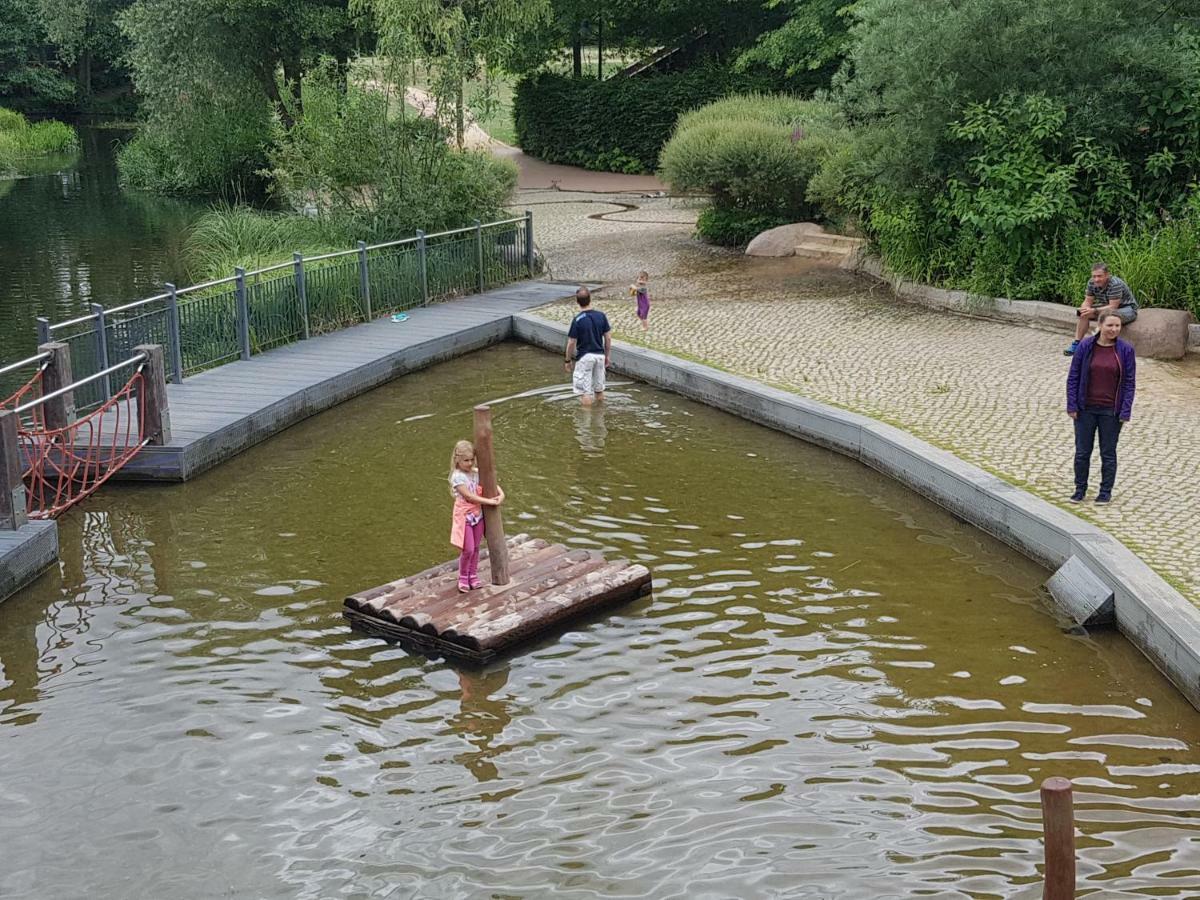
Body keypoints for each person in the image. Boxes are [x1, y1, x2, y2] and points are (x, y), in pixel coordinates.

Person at [1066, 311, 1136, 504]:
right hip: (1085, 408)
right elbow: (1073, 377)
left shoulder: (1126, 350)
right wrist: (1072, 404)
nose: (1114, 330)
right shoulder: (1085, 346)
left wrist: (1125, 410)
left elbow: (1130, 382)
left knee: (1108, 452)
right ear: (1100, 325)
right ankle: (1080, 489)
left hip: (1111, 411)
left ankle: (1105, 491)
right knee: (1082, 452)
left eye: (1117, 326)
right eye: (1110, 326)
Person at [448, 440, 504, 592]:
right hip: (465, 515)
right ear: (457, 459)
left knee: (477, 547)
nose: (470, 463)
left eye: (472, 459)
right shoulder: (458, 477)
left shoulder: (476, 472)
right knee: (468, 549)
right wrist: (489, 501)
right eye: (466, 460)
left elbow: (493, 483)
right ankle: (463, 577)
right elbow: (470, 497)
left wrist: (501, 495)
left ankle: (473, 575)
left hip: (478, 515)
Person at [1065, 263, 1138, 356]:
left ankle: (1095, 345)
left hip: (1126, 308)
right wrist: (1085, 308)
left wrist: (1094, 310)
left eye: (1099, 276)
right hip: (1107, 306)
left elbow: (1113, 307)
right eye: (1094, 276)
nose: (1096, 279)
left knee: (1109, 317)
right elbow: (1087, 301)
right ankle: (1077, 344)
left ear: (1107, 275)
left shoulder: (1115, 284)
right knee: (1083, 313)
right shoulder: (1091, 282)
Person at [564, 286, 611, 407]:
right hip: (600, 356)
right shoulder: (601, 316)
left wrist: (568, 360)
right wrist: (607, 356)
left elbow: (571, 342)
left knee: (585, 392)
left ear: (577, 302)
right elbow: (608, 338)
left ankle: (585, 423)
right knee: (599, 390)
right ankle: (599, 417)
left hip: (585, 358)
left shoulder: (577, 320)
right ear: (590, 299)